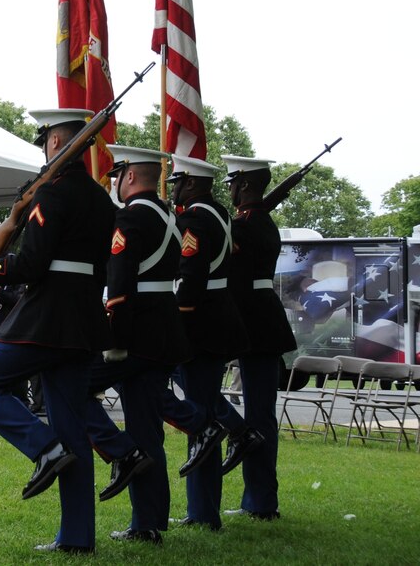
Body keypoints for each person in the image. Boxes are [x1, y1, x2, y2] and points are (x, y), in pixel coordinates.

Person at [0, 108, 115, 555]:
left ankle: (42, 449)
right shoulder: (103, 200)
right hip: (84, 321)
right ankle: (77, 537)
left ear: (55, 144)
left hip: (47, 319)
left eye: (46, 142)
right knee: (73, 431)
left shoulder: (53, 196)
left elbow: (30, 266)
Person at [81, 146, 186, 544]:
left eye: (117, 177)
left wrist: (115, 339)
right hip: (164, 331)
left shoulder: (131, 216)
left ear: (128, 177)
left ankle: (120, 452)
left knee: (71, 387)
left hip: (135, 332)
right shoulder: (171, 218)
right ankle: (148, 523)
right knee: (148, 430)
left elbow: (120, 284)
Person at [161, 154, 251, 531]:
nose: (174, 188)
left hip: (199, 324)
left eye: (178, 182)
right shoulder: (220, 214)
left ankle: (203, 513)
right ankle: (204, 509)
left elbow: (190, 278)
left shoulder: (194, 219)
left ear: (192, 184)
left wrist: (175, 323)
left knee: (201, 419)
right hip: (218, 319)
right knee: (205, 414)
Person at [221, 155, 299, 521]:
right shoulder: (257, 221)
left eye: (233, 183)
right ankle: (260, 499)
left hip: (253, 323)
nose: (230, 190)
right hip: (261, 322)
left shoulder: (248, 224)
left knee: (258, 418)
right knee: (260, 416)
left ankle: (261, 501)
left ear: (246, 186)